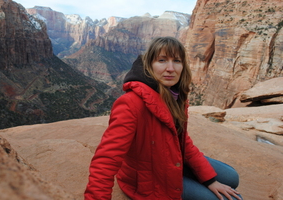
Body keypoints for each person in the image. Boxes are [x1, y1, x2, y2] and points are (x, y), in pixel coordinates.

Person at [84, 37, 242, 200]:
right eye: (162, 60)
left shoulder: (175, 96)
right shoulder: (130, 104)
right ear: (149, 65)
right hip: (150, 180)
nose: (170, 68)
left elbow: (181, 141)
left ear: (183, 66)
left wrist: (209, 180)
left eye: (177, 61)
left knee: (232, 178)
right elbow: (106, 160)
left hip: (170, 161)